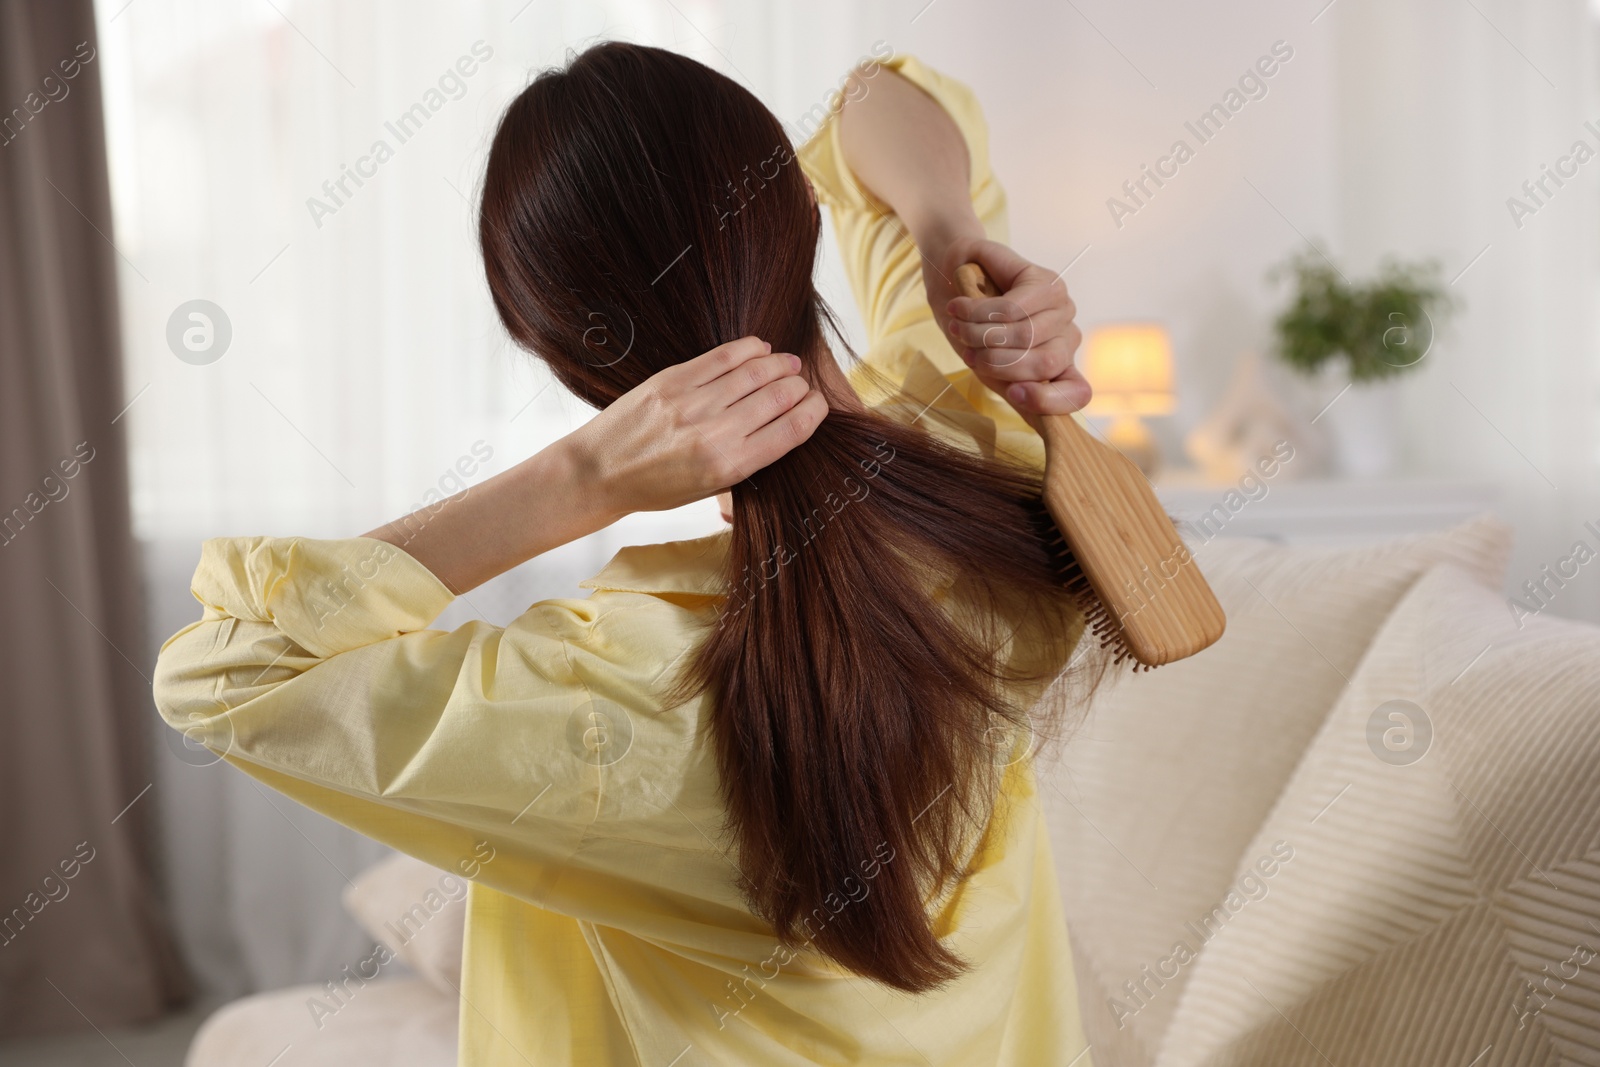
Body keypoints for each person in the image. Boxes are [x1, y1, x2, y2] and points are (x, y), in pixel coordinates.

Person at [154, 42, 1100, 1066]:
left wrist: (580, 478)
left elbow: (223, 668)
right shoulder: (985, 455)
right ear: (804, 222)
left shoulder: (608, 689)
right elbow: (882, 99)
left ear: (550, 346)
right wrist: (947, 231)